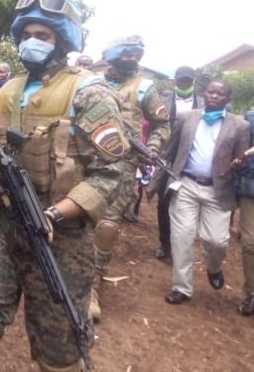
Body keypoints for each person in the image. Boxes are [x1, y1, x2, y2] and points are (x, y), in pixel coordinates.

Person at [0, 0, 129, 372]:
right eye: (26, 35)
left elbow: (110, 173)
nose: (31, 43)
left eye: (42, 36)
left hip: (61, 240)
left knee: (59, 357)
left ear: (62, 40)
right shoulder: (0, 94)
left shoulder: (90, 95)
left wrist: (56, 215)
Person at [89, 35, 170, 322]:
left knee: (107, 224)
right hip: (85, 160)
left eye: (136, 56)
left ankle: (92, 286)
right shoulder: (91, 80)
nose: (132, 61)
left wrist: (153, 148)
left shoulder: (146, 87)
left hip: (122, 164)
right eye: (126, 56)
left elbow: (162, 125)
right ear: (112, 58)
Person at [148, 80, 249, 305]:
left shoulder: (240, 126)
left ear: (227, 99)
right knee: (181, 237)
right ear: (204, 94)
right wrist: (154, 183)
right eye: (211, 92)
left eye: (220, 93)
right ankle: (181, 287)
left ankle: (213, 268)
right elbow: (169, 153)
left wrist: (239, 164)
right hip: (186, 185)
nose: (214, 96)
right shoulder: (187, 118)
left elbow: (241, 160)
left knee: (217, 242)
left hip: (218, 190)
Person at [154, 66, 205, 260]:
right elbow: (153, 126)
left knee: (186, 201)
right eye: (181, 81)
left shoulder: (203, 103)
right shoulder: (161, 101)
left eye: (188, 81)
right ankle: (165, 243)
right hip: (166, 157)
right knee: (164, 200)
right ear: (175, 81)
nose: (184, 84)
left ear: (193, 82)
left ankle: (181, 243)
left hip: (192, 158)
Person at [236, 110, 254, 316]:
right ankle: (251, 293)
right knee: (250, 242)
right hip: (251, 187)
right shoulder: (250, 120)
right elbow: (239, 152)